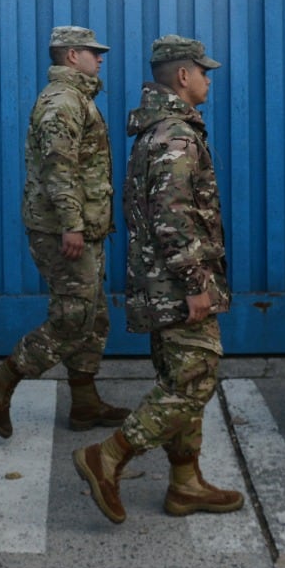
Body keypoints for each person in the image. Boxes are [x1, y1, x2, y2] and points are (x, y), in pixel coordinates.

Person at [72, 35, 243, 524]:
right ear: (183, 76)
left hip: (159, 280)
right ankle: (107, 456)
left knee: (180, 377)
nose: (209, 80)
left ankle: (185, 483)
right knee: (193, 382)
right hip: (177, 283)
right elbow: (173, 218)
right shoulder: (176, 135)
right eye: (203, 72)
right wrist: (195, 283)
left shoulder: (159, 130)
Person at [0, 25, 128, 438]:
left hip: (84, 225)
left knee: (93, 317)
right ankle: (1, 379)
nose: (100, 58)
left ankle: (84, 402)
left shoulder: (78, 98)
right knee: (73, 316)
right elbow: (59, 168)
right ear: (71, 55)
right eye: (94, 52)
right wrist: (71, 224)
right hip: (64, 228)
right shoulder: (62, 101)